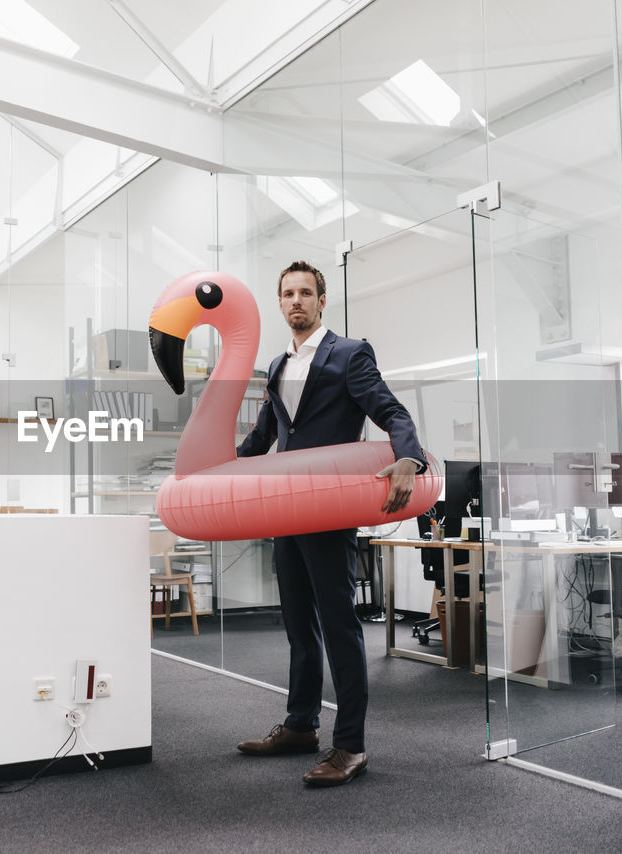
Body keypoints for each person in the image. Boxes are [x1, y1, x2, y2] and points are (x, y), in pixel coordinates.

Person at [234, 260, 426, 787]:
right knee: (298, 624)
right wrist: (218, 469)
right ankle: (300, 725)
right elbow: (262, 438)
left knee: (340, 626)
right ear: (279, 304)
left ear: (321, 301)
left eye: (305, 293)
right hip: (286, 509)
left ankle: (352, 746)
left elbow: (392, 413)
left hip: (329, 509)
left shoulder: (349, 354)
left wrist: (410, 459)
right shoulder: (275, 367)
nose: (295, 301)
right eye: (287, 294)